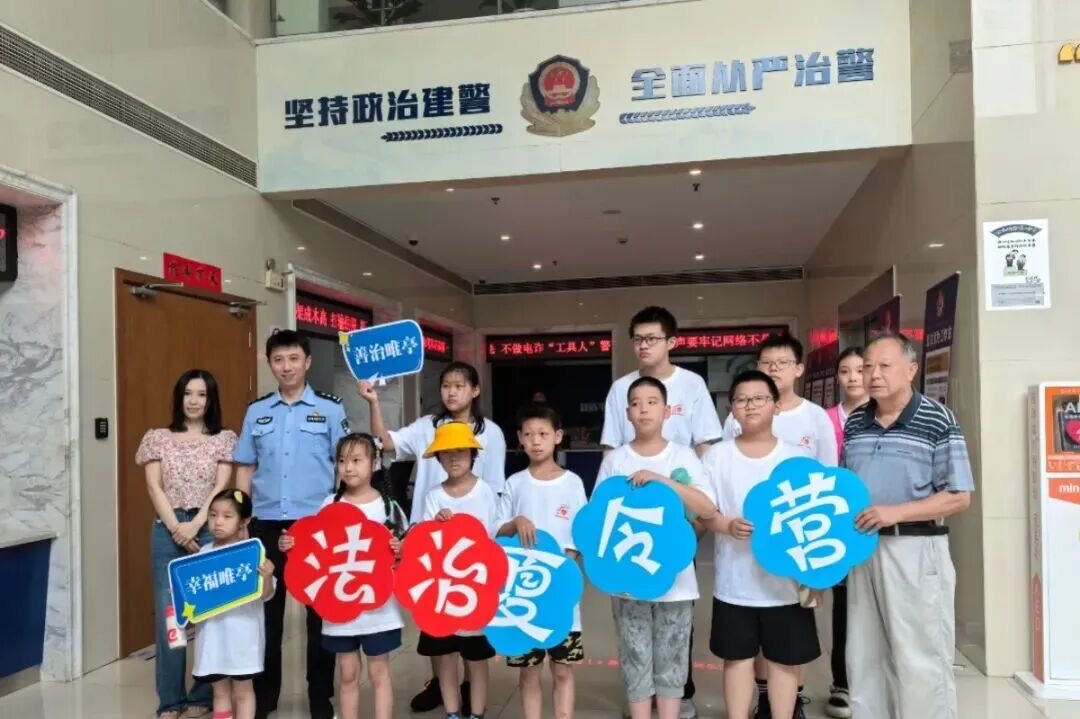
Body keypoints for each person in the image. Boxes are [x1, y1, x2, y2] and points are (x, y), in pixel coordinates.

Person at [358, 361, 507, 714]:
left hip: (472, 547)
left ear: (475, 390)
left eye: (460, 385)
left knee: (471, 625)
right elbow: (387, 442)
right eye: (446, 385)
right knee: (436, 617)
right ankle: (441, 686)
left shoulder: (491, 433)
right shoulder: (427, 426)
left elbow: (496, 489)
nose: (452, 392)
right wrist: (374, 402)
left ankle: (470, 689)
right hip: (430, 539)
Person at [600, 306, 723, 719]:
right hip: (629, 532)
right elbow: (610, 457)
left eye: (652, 338)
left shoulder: (691, 385)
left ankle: (677, 697)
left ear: (671, 341)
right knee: (634, 636)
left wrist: (698, 523)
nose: (644, 345)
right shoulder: (620, 389)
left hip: (678, 519)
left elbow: (705, 448)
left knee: (674, 627)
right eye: (638, 339)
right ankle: (641, 699)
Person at [842, 333, 973, 719]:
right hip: (863, 551)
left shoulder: (937, 419)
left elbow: (959, 496)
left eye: (884, 366)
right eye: (868, 366)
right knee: (864, 656)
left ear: (911, 370)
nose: (873, 375)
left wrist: (895, 512)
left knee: (919, 657)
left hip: (915, 549)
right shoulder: (856, 423)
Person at [234, 330, 349, 719]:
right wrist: (240, 522)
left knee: (319, 618)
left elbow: (343, 468)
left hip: (315, 527)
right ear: (270, 364)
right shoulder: (257, 412)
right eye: (279, 360)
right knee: (266, 617)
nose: (286, 367)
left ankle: (320, 698)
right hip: (265, 526)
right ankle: (265, 699)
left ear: (307, 362)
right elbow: (245, 467)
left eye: (294, 359)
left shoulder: (330, 410)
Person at [722, 333, 836, 717]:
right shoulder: (731, 430)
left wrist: (818, 567)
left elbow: (827, 486)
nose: (774, 369)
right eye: (766, 362)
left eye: (782, 362)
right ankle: (762, 699)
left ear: (799, 368)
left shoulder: (814, 421)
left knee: (791, 640)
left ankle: (789, 702)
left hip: (796, 552)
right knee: (748, 639)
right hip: (743, 555)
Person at [703, 371, 822, 719]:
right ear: (732, 409)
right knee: (737, 658)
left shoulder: (797, 458)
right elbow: (705, 512)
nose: (750, 405)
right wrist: (726, 525)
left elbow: (816, 523)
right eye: (741, 400)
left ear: (776, 406)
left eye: (759, 398)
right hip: (734, 584)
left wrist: (816, 578)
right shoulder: (717, 456)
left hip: (786, 586)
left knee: (785, 660)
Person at [280, 433, 406, 719]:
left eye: (357, 460)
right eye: (342, 461)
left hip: (378, 608)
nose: (348, 468)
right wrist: (290, 543)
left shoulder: (387, 506)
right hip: (338, 607)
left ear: (374, 464)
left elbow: (403, 553)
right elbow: (313, 546)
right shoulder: (329, 504)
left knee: (379, 672)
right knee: (347, 674)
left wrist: (398, 549)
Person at [137, 369, 237, 719]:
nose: (194, 401)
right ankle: (171, 700)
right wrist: (177, 528)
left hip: (210, 528)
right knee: (171, 620)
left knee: (209, 616)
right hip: (168, 531)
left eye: (202, 394)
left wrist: (195, 525)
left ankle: (205, 693)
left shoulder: (224, 438)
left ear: (211, 400)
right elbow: (154, 487)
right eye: (188, 393)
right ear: (179, 397)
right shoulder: (157, 438)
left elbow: (221, 488)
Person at [497, 403, 588, 719]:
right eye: (529, 434)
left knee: (563, 670)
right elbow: (497, 530)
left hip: (561, 592)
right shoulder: (514, 483)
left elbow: (581, 532)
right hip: (523, 594)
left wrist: (565, 567)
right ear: (519, 438)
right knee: (529, 672)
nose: (536, 441)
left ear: (558, 436)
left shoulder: (572, 482)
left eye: (543, 434)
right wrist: (515, 522)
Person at [418, 422, 504, 719]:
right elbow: (423, 542)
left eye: (460, 451)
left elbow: (494, 538)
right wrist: (435, 524)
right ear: (438, 459)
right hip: (440, 592)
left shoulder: (486, 492)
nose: (453, 458)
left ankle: (476, 712)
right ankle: (452, 712)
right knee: (445, 656)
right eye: (446, 453)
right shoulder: (433, 496)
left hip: (476, 588)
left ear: (472, 455)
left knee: (476, 656)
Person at [191, 489, 277, 719]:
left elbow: (266, 595)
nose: (218, 522)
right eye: (213, 515)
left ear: (244, 521)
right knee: (220, 692)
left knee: (243, 692)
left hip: (243, 637)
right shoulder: (204, 553)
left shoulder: (253, 554)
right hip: (213, 636)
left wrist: (267, 576)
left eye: (227, 516)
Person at [821, 347, 867, 719]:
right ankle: (842, 683)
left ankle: (875, 682)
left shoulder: (882, 416)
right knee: (844, 606)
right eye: (845, 371)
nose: (852, 377)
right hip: (838, 526)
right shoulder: (825, 420)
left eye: (859, 370)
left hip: (877, 521)